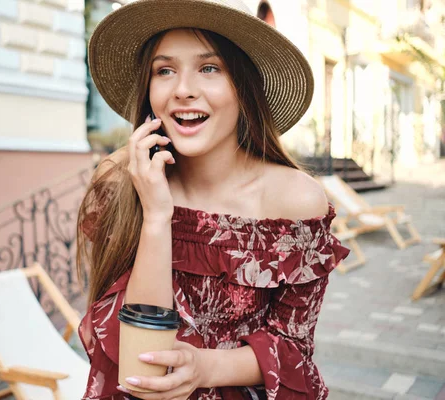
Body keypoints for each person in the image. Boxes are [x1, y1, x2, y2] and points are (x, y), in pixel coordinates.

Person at [76, 0, 350, 399]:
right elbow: (137, 355)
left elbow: (292, 347)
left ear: (243, 85)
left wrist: (204, 368)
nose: (183, 90)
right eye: (164, 70)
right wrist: (155, 214)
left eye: (209, 68)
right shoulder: (120, 182)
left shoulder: (295, 200)